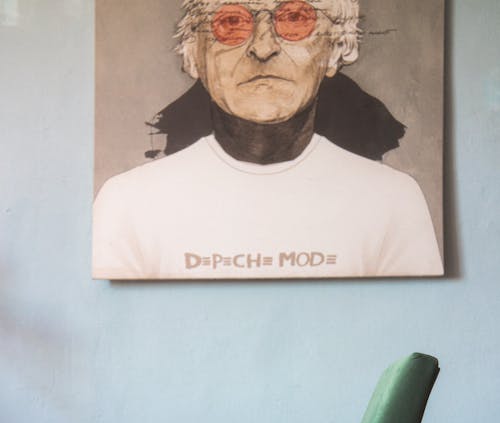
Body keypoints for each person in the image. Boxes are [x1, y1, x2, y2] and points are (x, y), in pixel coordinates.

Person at [93, 0, 443, 279]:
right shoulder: (130, 204)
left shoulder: (391, 201)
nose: (262, 48)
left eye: (295, 19)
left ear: (339, 46)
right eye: (230, 23)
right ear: (192, 55)